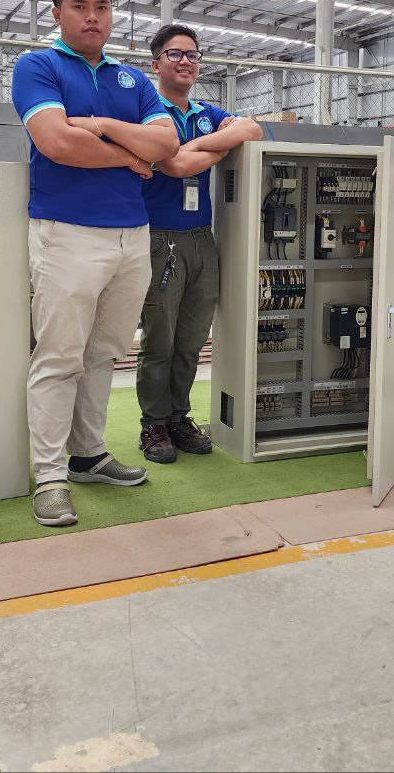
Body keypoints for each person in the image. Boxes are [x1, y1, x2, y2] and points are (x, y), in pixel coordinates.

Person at [11, 0, 180, 527]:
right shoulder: (38, 66)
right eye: (79, 6)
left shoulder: (131, 80)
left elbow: (167, 143)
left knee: (104, 352)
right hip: (67, 233)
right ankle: (50, 476)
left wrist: (102, 124)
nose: (92, 17)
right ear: (57, 13)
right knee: (59, 355)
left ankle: (87, 454)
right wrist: (132, 155)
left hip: (133, 235)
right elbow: (57, 143)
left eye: (102, 7)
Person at [135, 24, 261, 463]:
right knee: (159, 340)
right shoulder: (147, 113)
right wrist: (216, 149)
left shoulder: (207, 112)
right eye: (175, 54)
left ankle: (178, 417)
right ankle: (153, 423)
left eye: (192, 54)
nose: (186, 61)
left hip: (201, 239)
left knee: (191, 339)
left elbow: (252, 130)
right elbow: (171, 166)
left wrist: (196, 148)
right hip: (159, 239)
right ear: (155, 64)